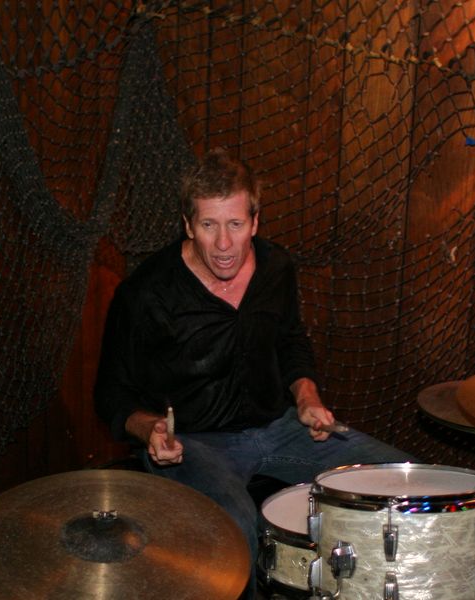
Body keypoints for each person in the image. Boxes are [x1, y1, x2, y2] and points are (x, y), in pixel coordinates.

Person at [94, 148, 414, 598]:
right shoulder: (147, 292)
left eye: (236, 224)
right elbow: (111, 392)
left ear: (255, 222)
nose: (224, 244)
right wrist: (150, 429)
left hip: (280, 427)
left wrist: (306, 396)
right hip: (195, 441)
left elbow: (290, 341)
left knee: (398, 482)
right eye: (209, 225)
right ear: (188, 225)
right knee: (237, 527)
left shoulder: (276, 267)